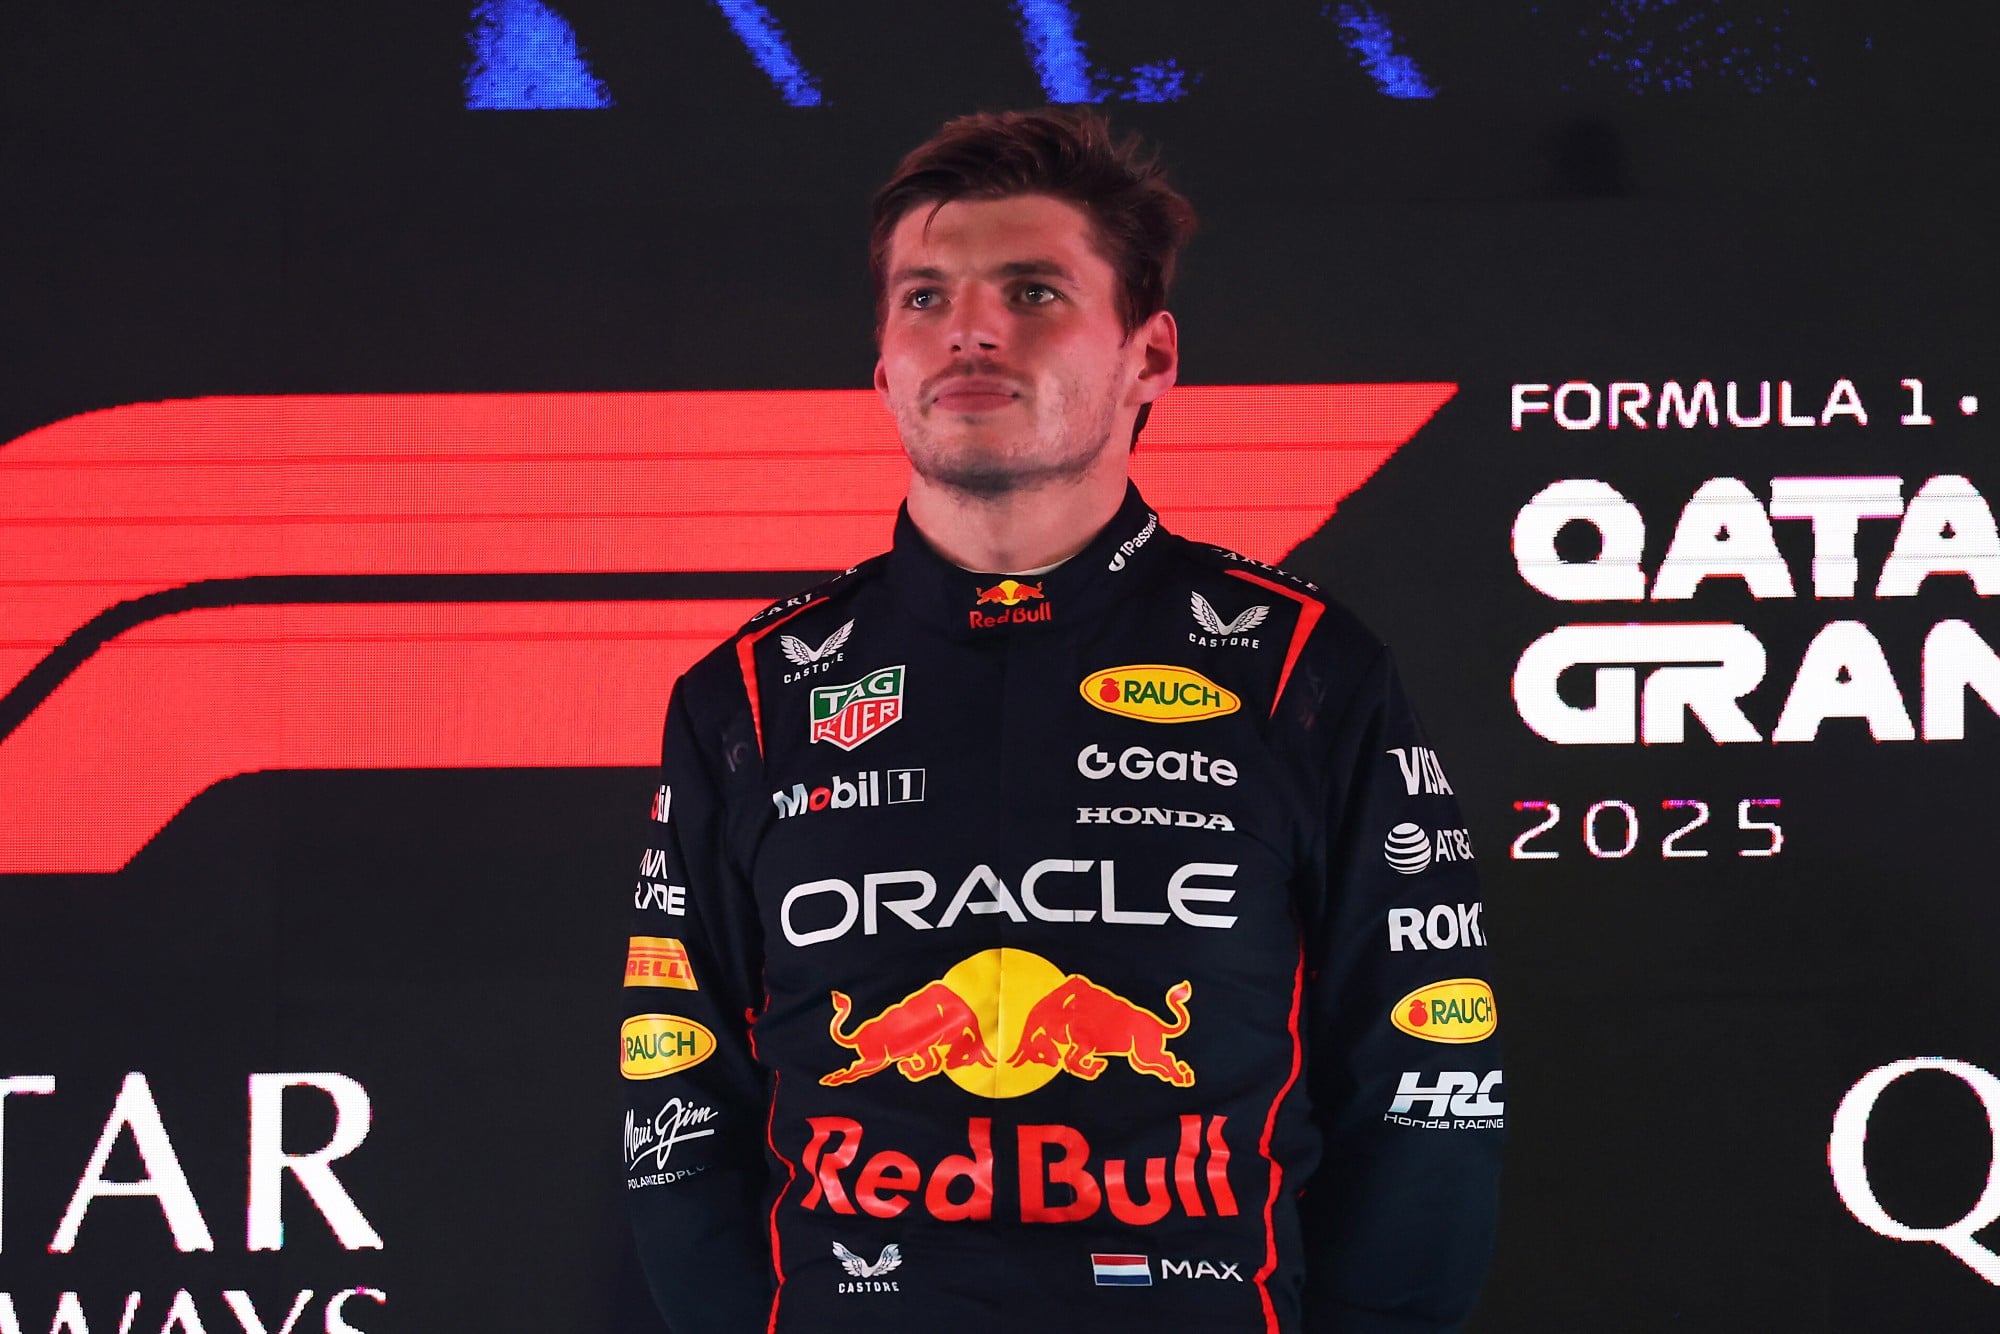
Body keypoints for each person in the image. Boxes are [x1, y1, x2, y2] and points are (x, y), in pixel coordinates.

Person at [619, 107, 1502, 1333]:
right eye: (922, 298)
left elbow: (1425, 1084)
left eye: (1032, 289)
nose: (968, 327)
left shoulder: (1301, 667)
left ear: (1149, 358)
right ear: (880, 365)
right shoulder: (748, 697)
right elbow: (677, 1097)